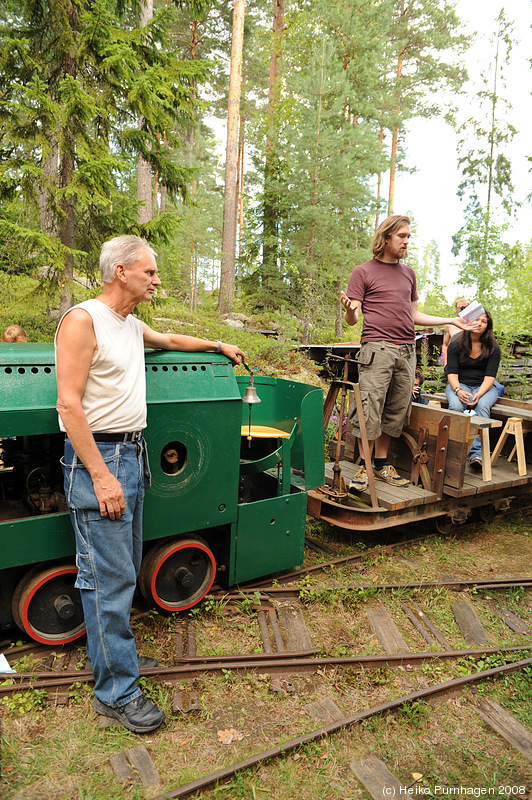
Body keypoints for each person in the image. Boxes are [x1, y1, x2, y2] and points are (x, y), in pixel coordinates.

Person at [55, 235, 244, 734]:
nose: (157, 280)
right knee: (109, 580)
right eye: (150, 272)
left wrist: (219, 345)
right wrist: (101, 476)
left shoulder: (128, 323)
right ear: (121, 271)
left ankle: (116, 673)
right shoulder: (82, 320)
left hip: (132, 455)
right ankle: (116, 693)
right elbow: (69, 406)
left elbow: (172, 341)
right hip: (101, 459)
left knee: (120, 571)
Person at [340, 214, 473, 494]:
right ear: (386, 237)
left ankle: (381, 464)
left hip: (406, 350)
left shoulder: (408, 274)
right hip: (377, 348)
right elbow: (352, 320)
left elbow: (413, 315)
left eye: (409, 236)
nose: (406, 241)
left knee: (397, 409)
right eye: (402, 236)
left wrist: (451, 320)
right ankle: (363, 467)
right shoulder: (362, 272)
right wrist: (351, 310)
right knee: (369, 407)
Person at [445, 309, 500, 471]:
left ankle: (477, 454)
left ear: (487, 326)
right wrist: (458, 391)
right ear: (468, 321)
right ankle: (454, 450)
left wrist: (479, 394)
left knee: (482, 406)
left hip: (484, 387)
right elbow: (452, 373)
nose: (479, 324)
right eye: (476, 319)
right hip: (459, 385)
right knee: (456, 407)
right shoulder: (456, 344)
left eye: (484, 321)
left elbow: (490, 377)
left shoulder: (493, 348)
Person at [441, 299, 469, 365]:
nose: (462, 309)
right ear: (456, 309)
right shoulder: (449, 325)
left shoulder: (474, 324)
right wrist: (445, 363)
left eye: (465, 307)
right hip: (453, 361)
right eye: (459, 307)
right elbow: (445, 345)